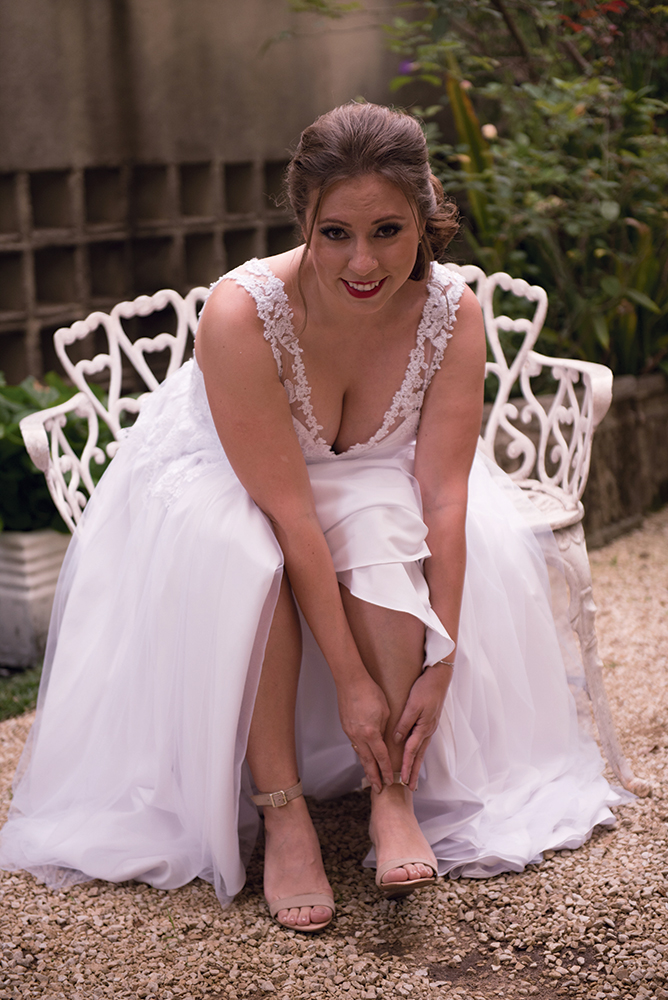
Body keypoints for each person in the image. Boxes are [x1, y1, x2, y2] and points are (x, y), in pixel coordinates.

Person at [0, 103, 620, 934]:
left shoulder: (452, 312)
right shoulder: (243, 313)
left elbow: (445, 497)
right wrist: (352, 681)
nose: (363, 262)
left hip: (369, 476)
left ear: (424, 217)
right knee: (246, 553)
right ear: (303, 223)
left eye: (388, 231)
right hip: (230, 480)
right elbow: (290, 513)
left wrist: (442, 662)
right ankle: (283, 810)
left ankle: (391, 789)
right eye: (335, 234)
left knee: (387, 524)